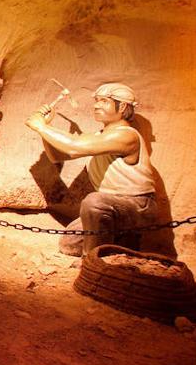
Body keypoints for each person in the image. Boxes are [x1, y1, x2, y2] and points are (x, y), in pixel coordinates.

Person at [24, 83, 176, 258]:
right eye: (96, 101)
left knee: (94, 202)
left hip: (137, 206)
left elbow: (73, 147)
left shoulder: (126, 135)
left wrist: (41, 127)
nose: (96, 105)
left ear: (123, 107)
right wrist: (45, 128)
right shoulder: (100, 136)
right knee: (69, 243)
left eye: (104, 101)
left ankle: (94, 262)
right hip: (113, 206)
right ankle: (119, 247)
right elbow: (58, 155)